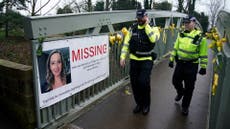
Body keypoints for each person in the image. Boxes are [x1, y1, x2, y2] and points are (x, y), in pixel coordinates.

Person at [120, 9, 160, 115]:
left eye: (141, 18)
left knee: (143, 82)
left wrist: (146, 25)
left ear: (146, 17)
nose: (139, 20)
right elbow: (126, 44)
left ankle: (146, 105)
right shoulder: (132, 28)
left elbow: (153, 39)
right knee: (134, 83)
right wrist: (122, 57)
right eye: (138, 18)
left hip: (146, 60)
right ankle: (139, 103)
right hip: (134, 60)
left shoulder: (153, 28)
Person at [168, 15, 208, 115]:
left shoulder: (200, 37)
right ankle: (180, 92)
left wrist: (203, 67)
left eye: (188, 23)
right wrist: (171, 59)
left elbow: (203, 54)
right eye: (185, 23)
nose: (186, 24)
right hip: (180, 63)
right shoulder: (181, 34)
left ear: (194, 23)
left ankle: (185, 106)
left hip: (192, 66)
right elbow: (176, 47)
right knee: (175, 81)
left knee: (189, 87)